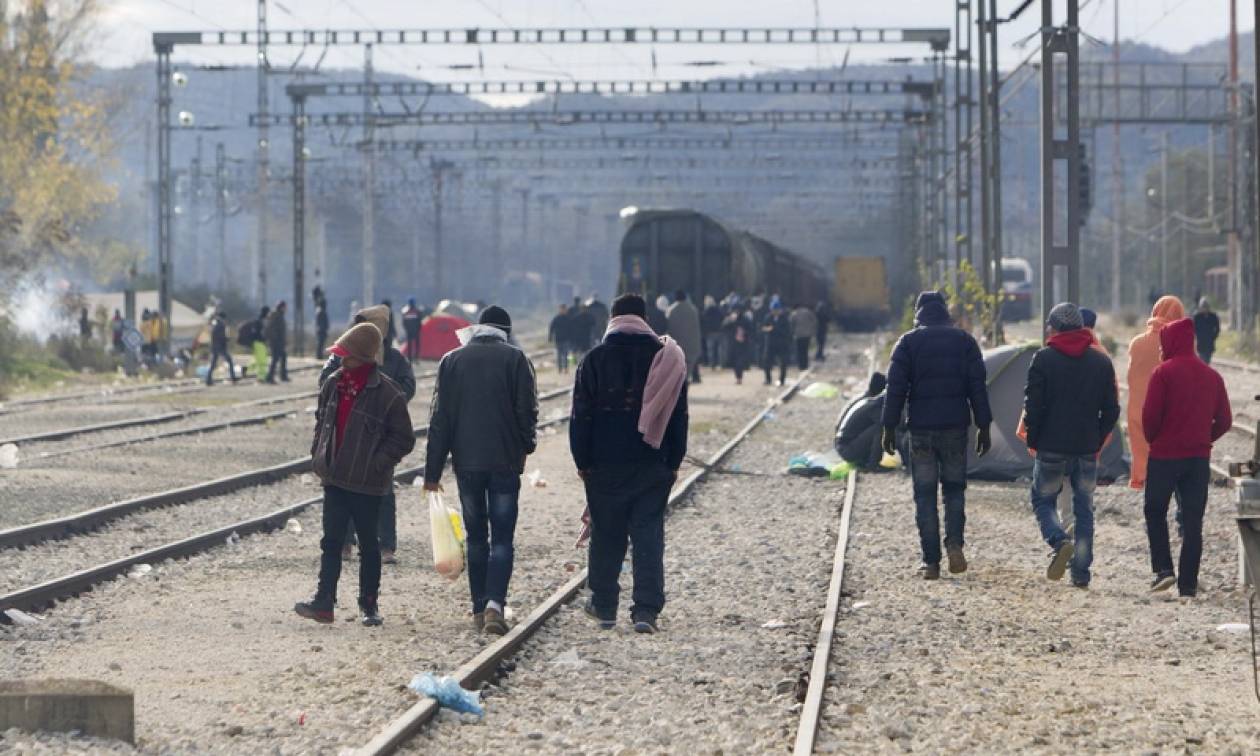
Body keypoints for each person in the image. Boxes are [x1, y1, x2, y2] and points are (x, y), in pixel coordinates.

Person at [570, 293, 688, 634]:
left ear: (613, 319)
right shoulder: (667, 358)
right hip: (653, 463)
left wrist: (582, 460)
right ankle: (645, 611)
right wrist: (674, 460)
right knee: (648, 535)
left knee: (607, 535)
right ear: (645, 318)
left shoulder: (594, 359)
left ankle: (605, 607)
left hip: (604, 463)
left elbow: (581, 415)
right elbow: (679, 415)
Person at [423, 306, 539, 636]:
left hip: (468, 464)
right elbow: (526, 410)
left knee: (476, 537)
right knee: (502, 538)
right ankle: (495, 606)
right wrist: (526, 446)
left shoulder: (451, 361)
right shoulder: (516, 360)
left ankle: (477, 607)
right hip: (504, 463)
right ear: (505, 330)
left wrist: (432, 472)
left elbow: (440, 419)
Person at [294, 322, 416, 626]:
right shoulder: (333, 384)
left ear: (361, 357)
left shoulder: (388, 394)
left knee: (369, 546)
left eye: (344, 355)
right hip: (335, 478)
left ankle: (369, 605)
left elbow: (404, 438)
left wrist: (378, 463)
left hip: (368, 484)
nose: (339, 360)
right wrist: (318, 454)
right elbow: (322, 421)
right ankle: (324, 602)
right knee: (331, 543)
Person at [881, 291, 992, 580]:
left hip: (921, 430)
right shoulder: (965, 341)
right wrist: (984, 425)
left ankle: (931, 562)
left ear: (919, 314)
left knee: (925, 495)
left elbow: (895, 390)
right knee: (955, 491)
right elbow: (977, 387)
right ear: (945, 313)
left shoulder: (907, 343)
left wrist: (888, 426)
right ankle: (954, 544)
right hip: (955, 427)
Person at [1023, 303, 1120, 589]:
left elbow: (1034, 407)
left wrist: (1034, 439)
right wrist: (1098, 438)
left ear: (1054, 328)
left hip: (1051, 445)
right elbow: (1112, 410)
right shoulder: (1100, 362)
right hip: (1086, 447)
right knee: (1084, 509)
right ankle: (1080, 572)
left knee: (1043, 499)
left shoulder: (1043, 359)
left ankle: (1058, 539)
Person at [1142, 317, 1232, 597]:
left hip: (1164, 457)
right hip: (1197, 459)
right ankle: (1188, 585)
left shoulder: (1163, 373)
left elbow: (1149, 419)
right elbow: (1225, 420)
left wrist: (1156, 439)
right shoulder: (1212, 376)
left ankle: (1164, 570)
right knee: (1193, 521)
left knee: (1155, 510)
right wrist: (1205, 439)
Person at [321, 304, 417, 565]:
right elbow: (325, 384)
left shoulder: (395, 359)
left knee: (384, 492)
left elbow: (409, 386)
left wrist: (388, 403)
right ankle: (345, 544)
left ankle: (386, 546)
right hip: (347, 438)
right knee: (343, 492)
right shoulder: (342, 355)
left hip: (379, 438)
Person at [1127, 296, 1185, 490]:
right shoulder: (1181, 344)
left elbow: (1131, 376)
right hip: (1168, 409)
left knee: (1144, 453)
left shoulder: (1136, 343)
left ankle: (1143, 482)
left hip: (1139, 408)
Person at [834, 372, 890, 471]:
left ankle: (866, 460)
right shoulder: (873, 405)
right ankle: (873, 464)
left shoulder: (862, 398)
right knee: (882, 428)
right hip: (847, 449)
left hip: (842, 444)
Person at [666, 290, 702, 384]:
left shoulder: (671, 310)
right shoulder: (693, 309)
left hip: (677, 345)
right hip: (691, 345)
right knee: (687, 369)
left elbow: (669, 328)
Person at [760, 301, 793, 386]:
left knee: (783, 363)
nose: (775, 311)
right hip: (770, 343)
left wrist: (775, 329)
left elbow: (787, 331)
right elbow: (763, 327)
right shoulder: (768, 317)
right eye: (773, 310)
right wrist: (767, 329)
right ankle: (768, 379)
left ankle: (782, 379)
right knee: (766, 361)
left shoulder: (784, 318)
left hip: (781, 343)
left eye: (776, 310)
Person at [722, 303, 756, 385]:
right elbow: (724, 327)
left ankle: (739, 378)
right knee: (734, 361)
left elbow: (751, 330)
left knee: (740, 361)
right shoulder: (731, 318)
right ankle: (738, 377)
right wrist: (730, 320)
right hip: (733, 343)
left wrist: (744, 333)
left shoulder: (745, 319)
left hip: (742, 343)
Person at [206, 310, 238, 386]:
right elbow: (221, 336)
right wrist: (227, 339)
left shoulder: (215, 324)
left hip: (215, 346)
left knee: (213, 364)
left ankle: (208, 380)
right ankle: (233, 378)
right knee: (229, 361)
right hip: (220, 346)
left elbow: (214, 335)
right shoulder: (221, 325)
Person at [264, 301, 289, 383]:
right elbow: (271, 329)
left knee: (282, 357)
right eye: (285, 307)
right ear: (281, 307)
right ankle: (270, 377)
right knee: (275, 359)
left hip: (279, 342)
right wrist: (275, 339)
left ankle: (282, 376)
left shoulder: (279, 315)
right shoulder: (275, 315)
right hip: (275, 342)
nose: (286, 309)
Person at [790, 303, 818, 371]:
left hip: (798, 335)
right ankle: (805, 365)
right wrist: (812, 330)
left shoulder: (794, 313)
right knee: (805, 351)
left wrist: (792, 333)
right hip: (807, 335)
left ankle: (801, 366)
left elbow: (791, 324)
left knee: (799, 351)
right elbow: (815, 321)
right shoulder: (808, 312)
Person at [1193, 298, 1221, 365]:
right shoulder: (1197, 317)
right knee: (1202, 359)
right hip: (1201, 342)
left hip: (1209, 342)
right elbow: (1193, 328)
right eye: (1203, 307)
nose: (1204, 309)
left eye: (1206, 307)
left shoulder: (1213, 316)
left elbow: (1217, 328)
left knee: (1207, 359)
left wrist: (1213, 337)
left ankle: (1205, 371)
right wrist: (1196, 336)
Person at [701, 295, 725, 368]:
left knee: (710, 350)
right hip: (719, 331)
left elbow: (703, 322)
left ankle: (712, 364)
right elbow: (722, 318)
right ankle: (721, 364)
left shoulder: (706, 311)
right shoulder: (718, 309)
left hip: (710, 332)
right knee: (719, 349)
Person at [549, 303, 572, 373]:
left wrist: (571, 337)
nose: (563, 311)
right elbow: (551, 328)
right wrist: (550, 337)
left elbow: (571, 328)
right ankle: (560, 368)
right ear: (560, 310)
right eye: (562, 309)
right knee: (559, 355)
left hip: (566, 339)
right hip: (558, 339)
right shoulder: (556, 318)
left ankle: (566, 368)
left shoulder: (568, 318)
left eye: (564, 309)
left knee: (565, 354)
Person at [570, 298, 596, 363]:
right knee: (581, 351)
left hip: (587, 336)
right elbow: (573, 327)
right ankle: (581, 362)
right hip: (581, 337)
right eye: (582, 308)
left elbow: (593, 324)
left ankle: (584, 362)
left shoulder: (588, 317)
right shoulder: (577, 318)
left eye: (584, 308)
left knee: (585, 351)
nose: (583, 310)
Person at [401, 297, 423, 363]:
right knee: (416, 345)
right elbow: (419, 322)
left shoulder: (405, 311)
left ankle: (410, 358)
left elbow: (404, 322)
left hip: (409, 331)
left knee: (410, 345)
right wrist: (418, 329)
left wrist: (407, 329)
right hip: (415, 331)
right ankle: (416, 358)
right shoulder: (417, 311)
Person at [313, 286, 330, 358]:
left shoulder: (319, 310)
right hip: (321, 329)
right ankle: (318, 355)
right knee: (320, 342)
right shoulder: (320, 311)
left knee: (321, 342)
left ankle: (319, 355)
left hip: (321, 328)